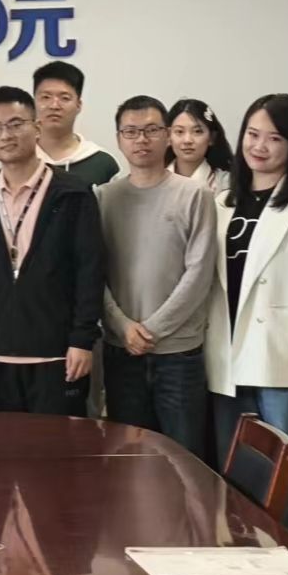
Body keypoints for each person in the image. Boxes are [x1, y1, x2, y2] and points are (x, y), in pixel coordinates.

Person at [205, 93, 288, 548]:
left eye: (274, 138)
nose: (259, 146)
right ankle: (249, 562)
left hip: (287, 358)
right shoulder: (222, 202)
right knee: (240, 475)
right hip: (229, 358)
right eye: (252, 134)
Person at [0, 86, 105, 415]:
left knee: (57, 446)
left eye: (16, 124)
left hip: (58, 356)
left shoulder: (73, 193)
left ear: (37, 127)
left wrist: (81, 339)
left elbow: (90, 270)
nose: (6, 135)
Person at [96, 96, 218, 455]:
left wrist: (152, 329)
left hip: (178, 354)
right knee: (128, 458)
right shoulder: (104, 197)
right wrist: (122, 327)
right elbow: (94, 274)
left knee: (183, 459)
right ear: (119, 139)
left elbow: (199, 272)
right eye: (131, 132)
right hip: (122, 351)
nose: (141, 139)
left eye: (151, 130)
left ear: (166, 135)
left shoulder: (195, 194)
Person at [33, 60, 119, 186]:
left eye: (65, 98)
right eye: (46, 97)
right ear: (33, 103)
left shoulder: (102, 163)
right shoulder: (17, 159)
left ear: (78, 105)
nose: (54, 105)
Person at [165, 98, 234, 190]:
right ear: (168, 136)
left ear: (212, 137)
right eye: (179, 131)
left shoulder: (227, 184)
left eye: (197, 131)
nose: (187, 140)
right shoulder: (154, 180)